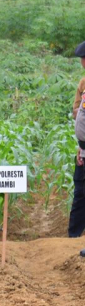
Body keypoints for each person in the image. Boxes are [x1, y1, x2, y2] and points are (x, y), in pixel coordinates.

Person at [69, 41, 85, 240]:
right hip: (83, 148)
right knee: (80, 191)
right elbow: (76, 113)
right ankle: (74, 236)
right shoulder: (83, 82)